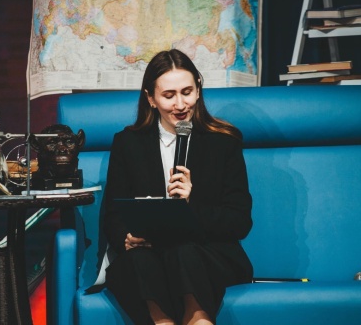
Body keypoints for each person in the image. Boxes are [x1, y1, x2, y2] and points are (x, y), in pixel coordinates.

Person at [103, 49, 253, 324]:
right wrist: (125, 237)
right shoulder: (127, 143)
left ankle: (198, 318)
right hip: (149, 255)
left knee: (183, 253)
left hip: (207, 252)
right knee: (140, 260)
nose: (180, 104)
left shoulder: (224, 142)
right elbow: (112, 215)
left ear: (198, 90)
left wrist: (191, 204)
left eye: (187, 92)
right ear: (151, 98)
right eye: (169, 95)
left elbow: (239, 222)